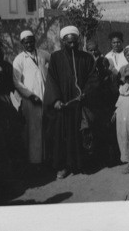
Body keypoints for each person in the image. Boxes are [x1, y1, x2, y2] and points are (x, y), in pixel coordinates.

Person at [43, 26, 99, 179]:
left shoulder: (87, 58)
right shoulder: (55, 57)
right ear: (63, 42)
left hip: (81, 104)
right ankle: (62, 167)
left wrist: (85, 93)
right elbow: (51, 81)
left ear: (78, 41)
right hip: (64, 105)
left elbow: (93, 79)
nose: (72, 45)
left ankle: (79, 165)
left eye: (75, 42)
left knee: (81, 135)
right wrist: (55, 100)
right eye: (69, 43)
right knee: (62, 137)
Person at [12, 30, 50, 166]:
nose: (29, 44)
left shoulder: (43, 54)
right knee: (34, 130)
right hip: (31, 100)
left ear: (35, 41)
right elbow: (17, 82)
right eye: (26, 42)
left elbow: (53, 64)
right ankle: (35, 162)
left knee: (47, 128)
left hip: (45, 97)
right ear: (22, 43)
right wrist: (30, 96)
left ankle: (48, 159)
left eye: (31, 41)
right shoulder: (19, 59)